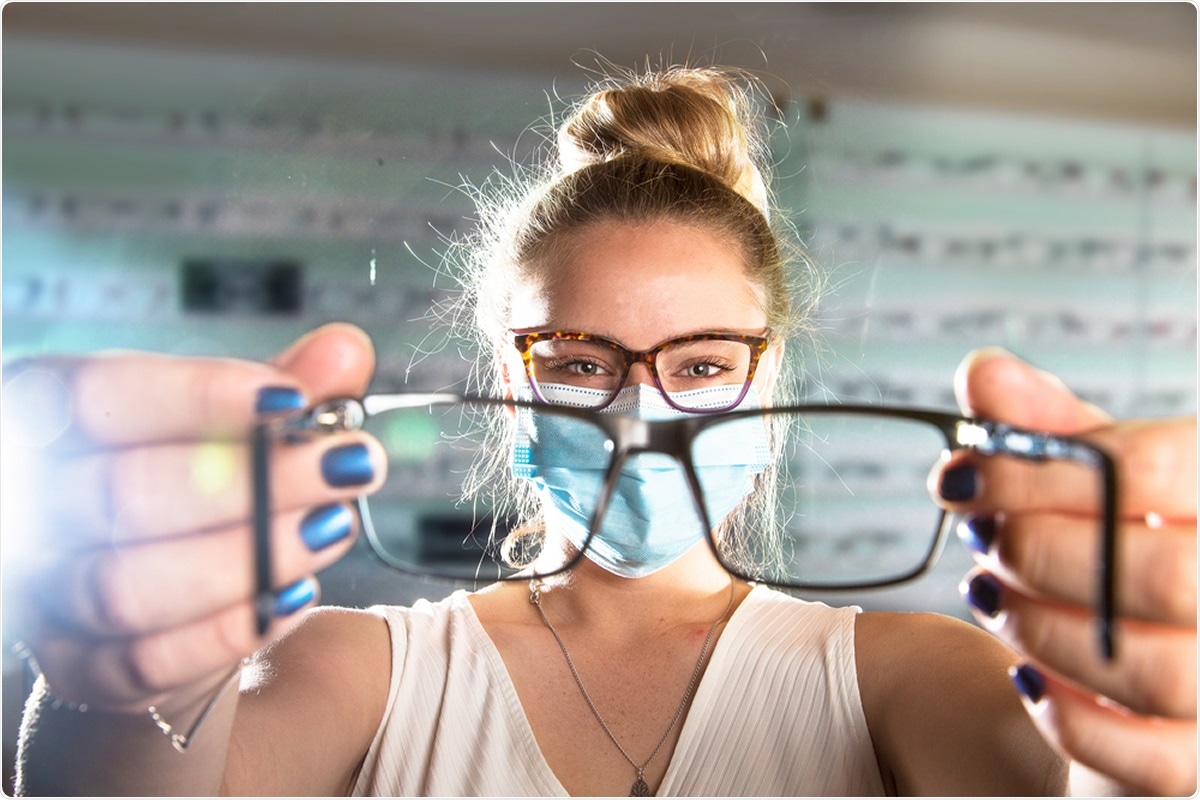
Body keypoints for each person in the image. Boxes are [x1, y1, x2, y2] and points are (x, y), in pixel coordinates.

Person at [8, 65, 1195, 797]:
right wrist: (119, 686)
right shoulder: (359, 669)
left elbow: (1072, 782)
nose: (639, 412)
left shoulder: (908, 674)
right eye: (580, 363)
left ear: (768, 386)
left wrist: (1144, 747)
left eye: (702, 364)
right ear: (509, 383)